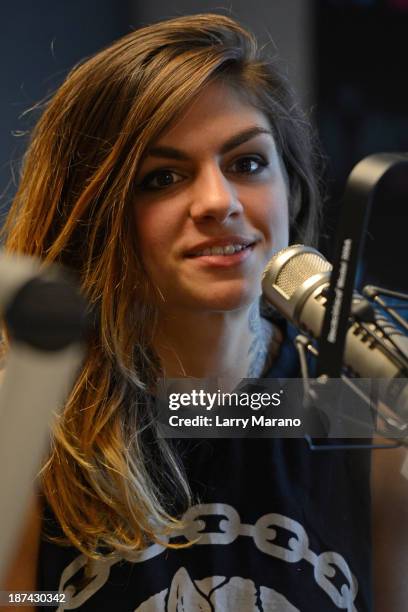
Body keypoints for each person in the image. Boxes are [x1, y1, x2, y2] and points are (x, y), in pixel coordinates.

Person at [1, 12, 407, 612]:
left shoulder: (359, 408)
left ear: (289, 189)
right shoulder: (32, 413)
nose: (218, 202)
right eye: (162, 177)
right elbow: (16, 595)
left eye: (246, 164)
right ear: (98, 216)